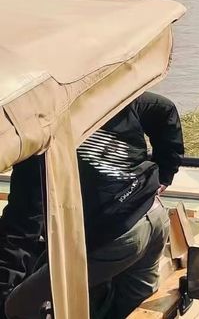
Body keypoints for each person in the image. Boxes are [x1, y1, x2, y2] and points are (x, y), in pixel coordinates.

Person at [1, 92, 183, 319]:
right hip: (154, 216)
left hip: (118, 237)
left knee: (17, 306)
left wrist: (5, 292)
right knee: (131, 310)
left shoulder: (38, 134)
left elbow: (22, 227)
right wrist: (165, 172)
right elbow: (163, 107)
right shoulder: (103, 92)